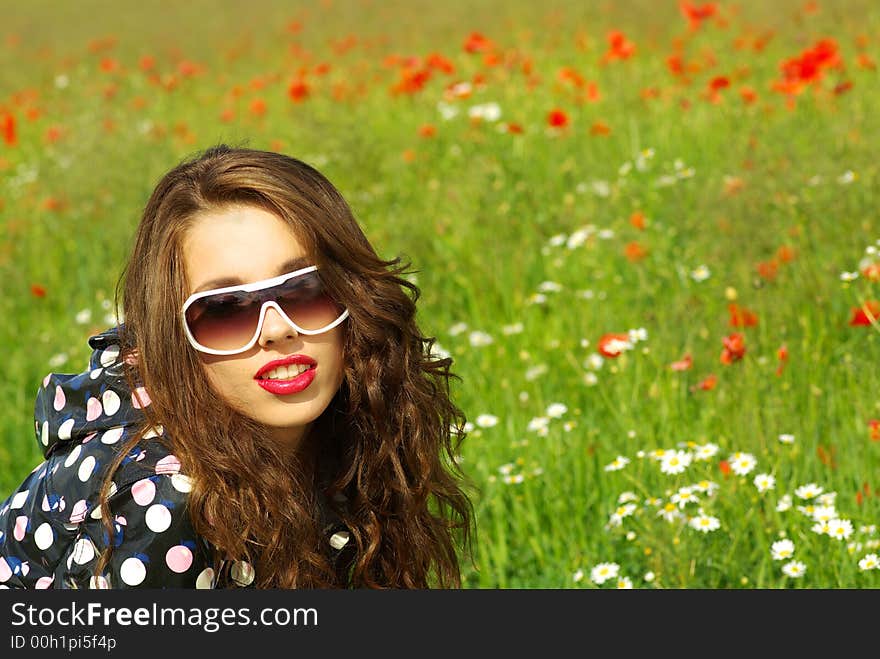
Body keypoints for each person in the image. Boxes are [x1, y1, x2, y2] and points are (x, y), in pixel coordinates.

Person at [0, 144, 474, 589]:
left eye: (305, 290)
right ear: (172, 341)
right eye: (226, 310)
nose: (277, 331)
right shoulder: (163, 499)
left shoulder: (356, 425)